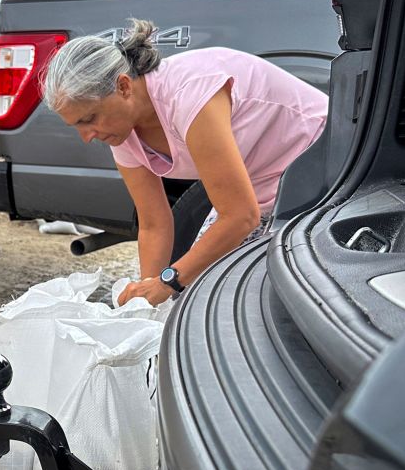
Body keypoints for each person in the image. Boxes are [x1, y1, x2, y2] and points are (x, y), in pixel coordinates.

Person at [42, 19, 328, 307]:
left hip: (325, 163)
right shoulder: (122, 131)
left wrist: (168, 281)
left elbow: (240, 215)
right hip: (262, 184)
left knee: (265, 297)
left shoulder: (189, 94)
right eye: (75, 126)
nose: (87, 137)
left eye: (88, 119)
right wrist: (145, 299)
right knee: (199, 295)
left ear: (124, 86)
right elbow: (154, 224)